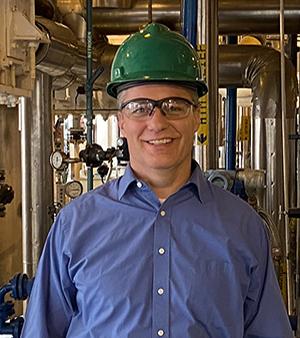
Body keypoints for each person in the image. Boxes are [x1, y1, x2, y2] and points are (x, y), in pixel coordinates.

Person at [21, 23, 293, 338]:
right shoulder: (75, 225)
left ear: (196, 117)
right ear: (121, 121)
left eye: (174, 106)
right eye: (140, 108)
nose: (157, 122)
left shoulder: (243, 226)